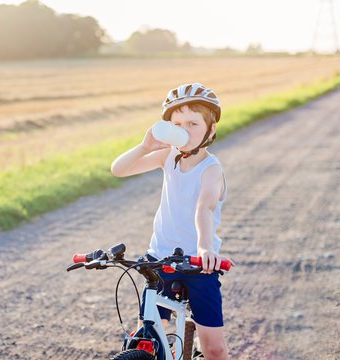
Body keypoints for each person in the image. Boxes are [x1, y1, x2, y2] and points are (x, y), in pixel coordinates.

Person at [110, 83, 234, 360]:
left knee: (214, 349)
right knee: (146, 336)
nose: (185, 129)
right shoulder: (168, 156)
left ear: (210, 129)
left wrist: (204, 249)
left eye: (193, 123)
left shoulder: (211, 169)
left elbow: (204, 209)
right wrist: (145, 146)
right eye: (177, 123)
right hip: (160, 259)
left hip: (198, 264)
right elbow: (119, 170)